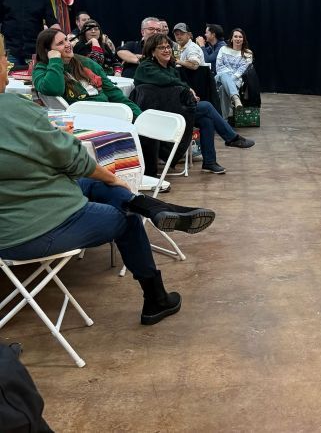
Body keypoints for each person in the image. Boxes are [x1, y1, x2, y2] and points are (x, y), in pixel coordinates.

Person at [0, 32, 215, 326]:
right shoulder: (14, 109)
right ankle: (155, 297)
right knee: (122, 214)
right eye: (3, 59)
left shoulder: (79, 66)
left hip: (12, 223)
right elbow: (74, 159)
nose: (8, 66)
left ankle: (147, 207)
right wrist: (114, 179)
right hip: (30, 231)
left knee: (93, 185)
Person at [134, 34, 254, 175]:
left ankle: (209, 162)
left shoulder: (170, 68)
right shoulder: (146, 67)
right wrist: (187, 89)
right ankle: (231, 138)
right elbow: (164, 80)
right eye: (161, 48)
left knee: (206, 119)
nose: (166, 50)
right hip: (157, 113)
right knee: (206, 107)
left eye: (168, 47)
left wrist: (187, 91)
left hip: (173, 109)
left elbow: (174, 85)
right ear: (152, 51)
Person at [33, 29, 141, 118]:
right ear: (48, 51)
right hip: (78, 120)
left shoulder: (86, 62)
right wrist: (55, 61)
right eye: (61, 43)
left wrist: (140, 117)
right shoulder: (41, 70)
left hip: (107, 113)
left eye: (66, 39)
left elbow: (113, 93)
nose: (68, 44)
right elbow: (54, 89)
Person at [0, 0, 59, 67]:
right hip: (10, 52)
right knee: (10, 82)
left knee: (34, 81)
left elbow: (52, 22)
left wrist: (61, 37)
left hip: (35, 53)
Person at [216, 28, 253, 109]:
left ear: (243, 39)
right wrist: (228, 78)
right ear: (231, 39)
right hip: (220, 78)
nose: (238, 39)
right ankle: (236, 99)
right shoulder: (223, 49)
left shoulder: (248, 53)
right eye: (235, 36)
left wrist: (229, 80)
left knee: (223, 88)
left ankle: (224, 119)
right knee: (223, 75)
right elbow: (219, 67)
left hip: (237, 80)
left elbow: (242, 71)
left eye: (240, 37)